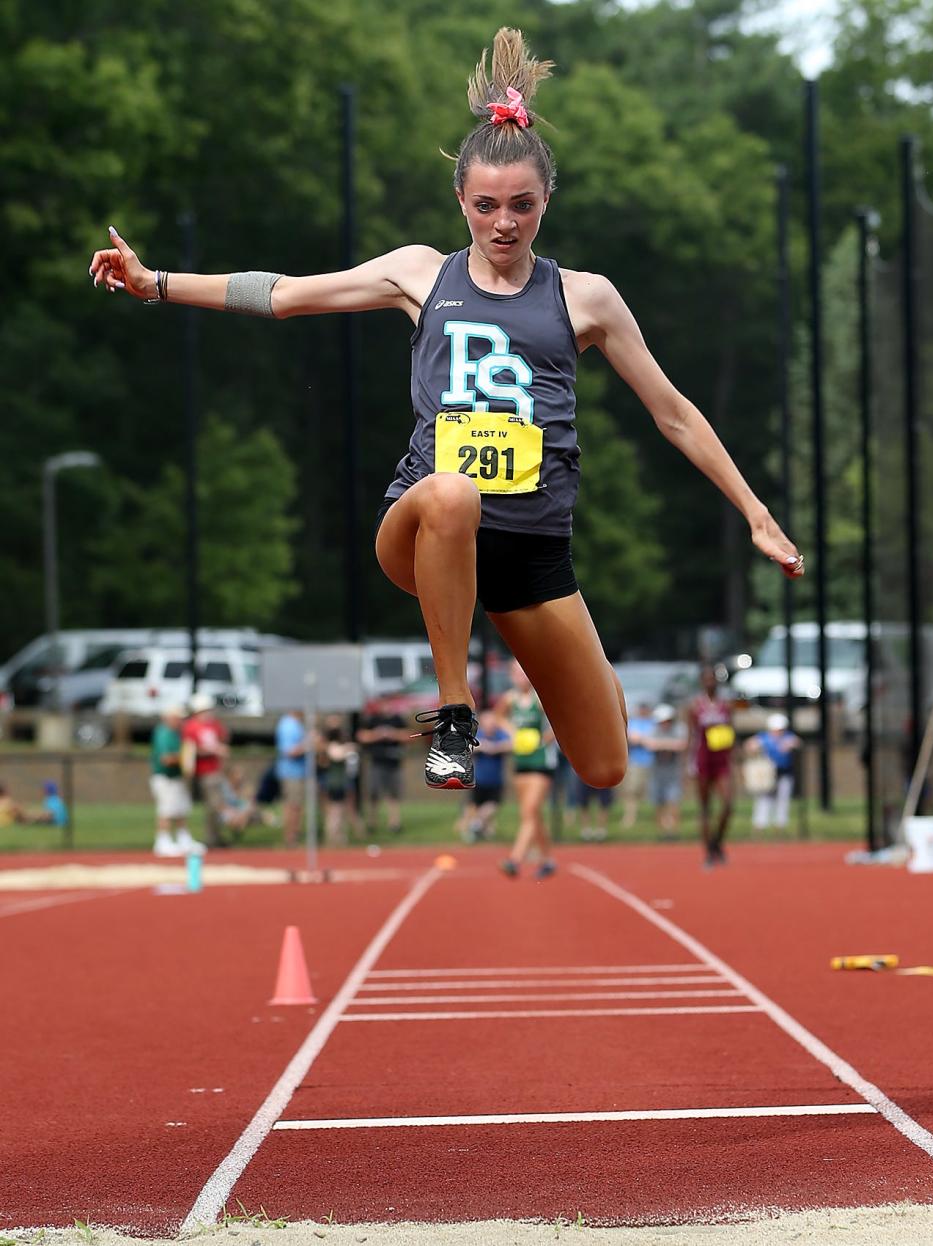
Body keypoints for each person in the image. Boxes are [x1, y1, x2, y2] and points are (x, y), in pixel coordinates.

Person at [89, 27, 803, 797]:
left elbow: (675, 413)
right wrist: (154, 281)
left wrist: (755, 512)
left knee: (604, 765)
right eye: (487, 206)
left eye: (523, 207)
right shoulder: (419, 274)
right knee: (454, 491)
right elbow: (286, 295)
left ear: (546, 203)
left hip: (531, 553)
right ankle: (454, 713)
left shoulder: (585, 298)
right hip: (426, 523)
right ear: (460, 200)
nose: (504, 224)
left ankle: (582, 677)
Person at [498, 661, 557, 879]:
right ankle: (548, 860)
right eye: (516, 671)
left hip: (541, 762)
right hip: (521, 762)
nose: (520, 676)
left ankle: (514, 859)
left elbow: (559, 719)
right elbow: (498, 717)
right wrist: (513, 733)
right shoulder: (510, 699)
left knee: (530, 811)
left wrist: (545, 739)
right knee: (532, 814)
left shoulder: (539, 699)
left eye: (524, 671)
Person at [689, 666, 736, 867]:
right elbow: (691, 735)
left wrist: (736, 758)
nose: (710, 682)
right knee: (705, 807)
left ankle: (717, 842)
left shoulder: (726, 704)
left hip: (722, 759)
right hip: (702, 759)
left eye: (713, 679)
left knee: (727, 804)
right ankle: (709, 851)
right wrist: (688, 763)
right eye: (706, 679)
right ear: (701, 682)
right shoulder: (695, 705)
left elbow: (731, 731)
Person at [149, 704, 202, 857]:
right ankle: (162, 841)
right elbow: (166, 759)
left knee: (181, 809)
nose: (181, 721)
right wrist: (185, 757)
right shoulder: (164, 733)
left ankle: (183, 839)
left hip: (176, 777)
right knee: (166, 810)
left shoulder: (176, 733)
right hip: (166, 778)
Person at [180, 692, 230, 848]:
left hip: (216, 769)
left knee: (217, 805)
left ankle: (215, 836)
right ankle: (212, 838)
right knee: (213, 805)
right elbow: (191, 750)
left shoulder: (213, 724)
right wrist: (213, 750)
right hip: (203, 771)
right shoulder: (191, 727)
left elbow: (223, 737)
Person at [461, 707, 512, 842]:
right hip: (479, 779)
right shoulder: (478, 735)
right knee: (473, 806)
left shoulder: (500, 735)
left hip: (495, 780)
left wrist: (496, 748)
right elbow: (467, 747)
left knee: (493, 806)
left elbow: (511, 744)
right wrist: (482, 746)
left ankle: (476, 825)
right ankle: (473, 830)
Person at [356, 708, 408, 836]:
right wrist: (378, 734)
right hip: (377, 762)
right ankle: (372, 822)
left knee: (394, 794)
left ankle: (394, 823)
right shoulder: (373, 719)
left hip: (394, 763)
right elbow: (361, 736)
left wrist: (392, 734)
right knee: (374, 793)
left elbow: (409, 735)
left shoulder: (398, 719)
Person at [746, 712, 800, 833]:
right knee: (764, 799)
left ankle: (780, 824)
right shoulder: (764, 738)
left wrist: (790, 745)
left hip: (785, 772)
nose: (778, 732)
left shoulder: (788, 737)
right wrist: (754, 747)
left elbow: (796, 742)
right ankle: (760, 823)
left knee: (783, 798)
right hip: (768, 774)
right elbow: (750, 744)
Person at [645, 704, 688, 839]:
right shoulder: (653, 729)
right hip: (657, 772)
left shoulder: (679, 728)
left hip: (673, 772)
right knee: (658, 802)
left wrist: (661, 744)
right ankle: (662, 832)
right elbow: (649, 745)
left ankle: (674, 831)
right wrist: (669, 744)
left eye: (667, 721)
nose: (665, 724)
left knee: (673, 800)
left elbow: (681, 745)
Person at [320, 715, 362, 846]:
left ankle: (340, 836)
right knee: (335, 810)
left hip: (341, 782)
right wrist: (348, 749)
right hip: (334, 782)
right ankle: (332, 836)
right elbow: (336, 755)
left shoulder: (340, 745)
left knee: (341, 810)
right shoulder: (331, 746)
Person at [275, 709, 311, 849]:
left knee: (296, 806)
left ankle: (294, 837)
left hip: (298, 772)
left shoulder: (297, 724)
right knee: (292, 806)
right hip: (291, 773)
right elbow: (289, 751)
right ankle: (290, 839)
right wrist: (308, 744)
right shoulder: (288, 725)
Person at [621, 701, 655, 830]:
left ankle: (653, 819)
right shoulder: (633, 723)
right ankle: (629, 818)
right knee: (632, 791)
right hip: (636, 762)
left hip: (652, 762)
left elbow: (654, 740)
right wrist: (645, 740)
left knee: (651, 793)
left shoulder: (653, 723)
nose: (643, 711)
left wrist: (643, 740)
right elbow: (630, 738)